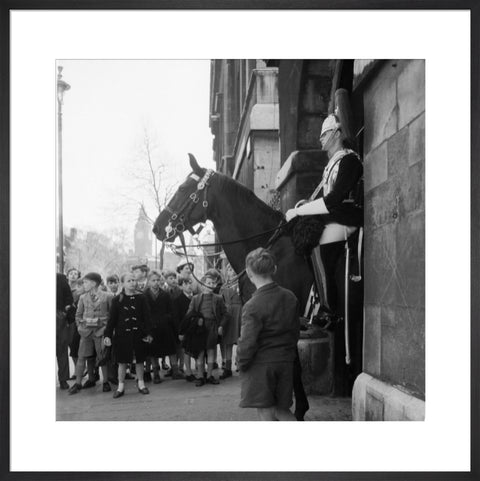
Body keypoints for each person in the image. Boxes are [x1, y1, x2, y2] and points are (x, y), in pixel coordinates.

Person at [285, 112, 363, 318]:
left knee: (317, 240)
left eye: (324, 134)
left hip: (347, 217)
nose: (320, 138)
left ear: (336, 133)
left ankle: (330, 307)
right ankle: (318, 295)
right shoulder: (332, 164)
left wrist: (300, 210)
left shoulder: (349, 160)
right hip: (334, 216)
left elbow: (335, 199)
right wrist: (304, 207)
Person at [236, 248, 300, 421]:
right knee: (283, 410)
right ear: (275, 269)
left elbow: (247, 343)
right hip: (285, 361)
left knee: (266, 413)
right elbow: (295, 333)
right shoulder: (290, 297)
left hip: (261, 366)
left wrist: (241, 362)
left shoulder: (252, 305)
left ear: (249, 272)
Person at [104, 272, 153, 398]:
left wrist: (148, 333)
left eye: (134, 280)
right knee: (122, 361)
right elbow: (112, 320)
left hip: (138, 334)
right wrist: (108, 335)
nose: (133, 283)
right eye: (129, 281)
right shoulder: (117, 300)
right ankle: (120, 387)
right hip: (122, 335)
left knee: (140, 360)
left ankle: (141, 384)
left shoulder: (141, 298)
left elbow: (147, 317)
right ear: (123, 283)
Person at [68, 273, 113, 395]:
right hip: (86, 332)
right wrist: (79, 327)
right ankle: (77, 383)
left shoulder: (108, 296)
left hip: (100, 331)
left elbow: (113, 315)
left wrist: (107, 328)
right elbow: (78, 314)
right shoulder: (83, 297)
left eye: (86, 282)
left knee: (102, 356)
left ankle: (105, 382)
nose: (84, 285)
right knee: (81, 357)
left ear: (94, 283)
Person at [184, 273, 228, 386]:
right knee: (200, 352)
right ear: (202, 285)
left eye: (213, 283)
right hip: (199, 328)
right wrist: (196, 319)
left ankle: (209, 376)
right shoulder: (196, 298)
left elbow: (225, 314)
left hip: (212, 327)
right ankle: (200, 376)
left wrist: (221, 326)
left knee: (211, 350)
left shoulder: (218, 298)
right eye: (208, 283)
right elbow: (189, 314)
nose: (211, 285)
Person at [144, 270, 183, 382]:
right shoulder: (144, 295)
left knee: (171, 349)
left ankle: (175, 371)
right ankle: (156, 373)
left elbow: (171, 311)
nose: (156, 283)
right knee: (153, 351)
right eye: (153, 280)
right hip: (151, 327)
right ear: (149, 281)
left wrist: (168, 319)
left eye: (158, 280)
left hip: (165, 326)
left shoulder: (165, 294)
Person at [219, 263, 242, 379]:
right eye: (229, 269)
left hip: (239, 313)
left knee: (240, 340)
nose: (231, 271)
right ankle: (227, 367)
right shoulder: (223, 286)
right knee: (227, 341)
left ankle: (240, 363)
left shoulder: (241, 284)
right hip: (227, 314)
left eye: (233, 269)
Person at [173, 277, 196, 381]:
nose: (189, 286)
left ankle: (199, 370)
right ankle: (188, 371)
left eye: (190, 283)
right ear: (181, 286)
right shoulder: (177, 300)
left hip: (195, 329)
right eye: (186, 284)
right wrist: (180, 331)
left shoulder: (196, 298)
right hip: (185, 330)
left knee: (196, 349)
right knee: (186, 351)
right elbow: (177, 318)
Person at [56, 273, 73, 390]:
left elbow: (68, 296)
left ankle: (63, 379)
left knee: (61, 349)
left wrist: (64, 311)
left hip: (58, 316)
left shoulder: (60, 277)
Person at [66, 268, 84, 376]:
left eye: (75, 274)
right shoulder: (64, 288)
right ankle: (77, 370)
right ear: (67, 275)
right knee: (69, 345)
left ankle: (79, 370)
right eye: (71, 274)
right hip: (65, 319)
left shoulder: (80, 290)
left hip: (75, 319)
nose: (73, 275)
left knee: (75, 345)